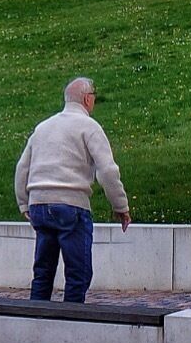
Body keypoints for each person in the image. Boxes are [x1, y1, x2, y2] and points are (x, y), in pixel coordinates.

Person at [13, 76, 131, 304]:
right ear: (87, 99)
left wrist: (23, 202)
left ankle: (36, 320)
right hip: (71, 205)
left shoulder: (43, 127)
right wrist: (121, 206)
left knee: (42, 272)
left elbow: (22, 167)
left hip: (39, 204)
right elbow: (107, 170)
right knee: (78, 273)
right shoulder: (89, 127)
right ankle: (71, 322)